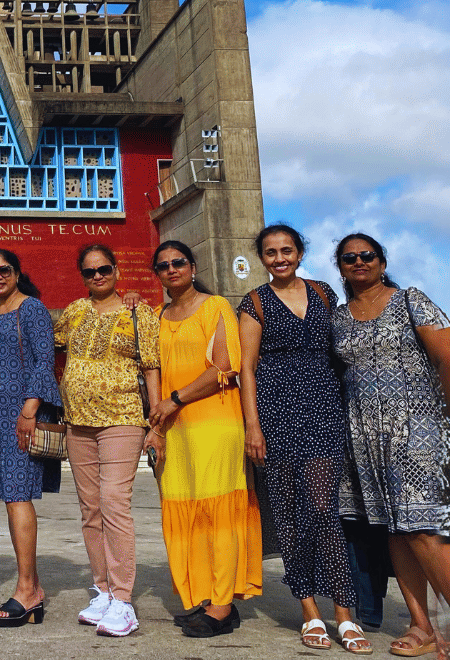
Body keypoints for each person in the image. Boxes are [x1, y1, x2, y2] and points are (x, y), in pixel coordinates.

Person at [237, 224, 370, 652]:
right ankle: (309, 611)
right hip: (276, 413)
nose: (280, 258)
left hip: (324, 409)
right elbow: (247, 369)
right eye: (271, 252)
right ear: (262, 258)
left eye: (287, 250)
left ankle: (344, 614)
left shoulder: (325, 293)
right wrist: (252, 426)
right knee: (290, 514)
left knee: (323, 509)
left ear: (299, 252)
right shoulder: (254, 301)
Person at [331, 233, 450, 659]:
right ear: (340, 267)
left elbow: (446, 356)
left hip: (418, 429)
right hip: (364, 437)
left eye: (367, 255)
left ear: (381, 262)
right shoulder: (339, 317)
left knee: (423, 528)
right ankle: (422, 626)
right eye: (350, 258)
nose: (359, 262)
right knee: (395, 530)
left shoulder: (410, 300)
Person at [148, 240, 261, 638]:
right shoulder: (158, 317)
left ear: (193, 266)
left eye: (179, 262)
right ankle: (203, 594)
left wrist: (173, 400)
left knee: (218, 512)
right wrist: (157, 425)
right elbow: (152, 370)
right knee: (185, 512)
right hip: (176, 430)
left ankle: (223, 604)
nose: (172, 269)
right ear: (157, 275)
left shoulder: (216, 307)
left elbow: (224, 368)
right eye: (163, 266)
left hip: (215, 424)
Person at [54, 244, 162, 638]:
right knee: (90, 508)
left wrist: (157, 423)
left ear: (116, 271)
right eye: (89, 272)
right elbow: (55, 349)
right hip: (78, 421)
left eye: (103, 269)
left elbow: (151, 366)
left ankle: (123, 598)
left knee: (115, 502)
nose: (97, 276)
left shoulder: (138, 312)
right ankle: (100, 590)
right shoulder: (74, 312)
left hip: (123, 417)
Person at [0, 247, 62, 627]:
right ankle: (33, 588)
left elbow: (45, 361)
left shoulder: (32, 309)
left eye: (4, 269)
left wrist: (28, 411)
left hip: (23, 415)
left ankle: (26, 589)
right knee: (12, 497)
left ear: (17, 272)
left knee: (18, 496)